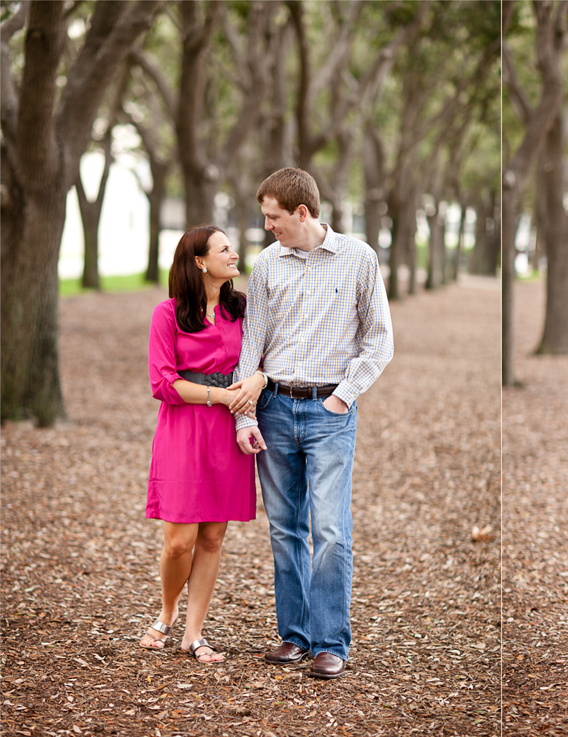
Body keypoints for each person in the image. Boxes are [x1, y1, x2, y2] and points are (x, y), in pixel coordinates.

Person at [231, 168, 393, 680]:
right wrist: (246, 415)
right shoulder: (267, 265)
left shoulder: (359, 258)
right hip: (275, 409)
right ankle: (294, 636)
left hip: (329, 412)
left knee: (329, 530)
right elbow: (251, 345)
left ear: (303, 213)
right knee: (284, 529)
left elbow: (379, 340)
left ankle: (329, 641)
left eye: (274, 217)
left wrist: (344, 399)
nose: (267, 226)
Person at [141, 226, 266, 663]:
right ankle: (167, 611)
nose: (234, 255)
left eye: (232, 248)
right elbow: (164, 382)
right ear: (199, 262)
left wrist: (255, 381)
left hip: (228, 432)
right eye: (224, 249)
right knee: (179, 541)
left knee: (212, 538)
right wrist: (221, 395)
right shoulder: (168, 314)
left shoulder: (242, 309)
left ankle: (194, 634)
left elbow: (262, 358)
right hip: (183, 430)